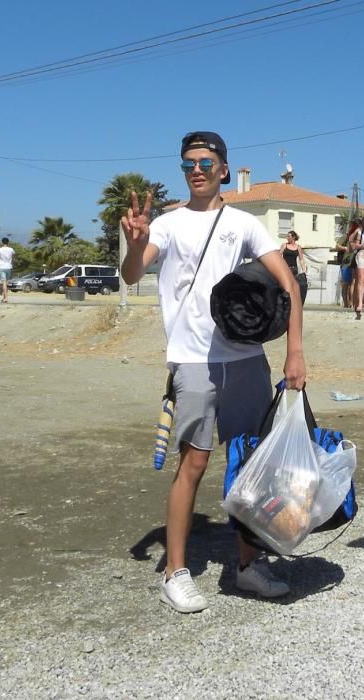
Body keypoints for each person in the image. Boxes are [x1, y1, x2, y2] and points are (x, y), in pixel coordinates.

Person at [120, 130, 306, 614]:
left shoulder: (243, 223)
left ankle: (246, 566)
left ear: (224, 168)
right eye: (187, 164)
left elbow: (289, 286)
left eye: (205, 161)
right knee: (195, 463)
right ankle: (175, 571)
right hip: (194, 360)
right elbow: (132, 274)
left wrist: (295, 353)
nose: (196, 169)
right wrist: (133, 242)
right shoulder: (166, 223)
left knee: (247, 464)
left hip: (244, 359)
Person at [334, 220, 359, 308]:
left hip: (354, 262)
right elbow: (336, 246)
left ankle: (351, 303)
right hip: (346, 262)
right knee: (346, 284)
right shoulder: (346, 237)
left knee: (352, 283)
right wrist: (345, 248)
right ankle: (346, 304)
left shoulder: (359, 237)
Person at [280, 230, 308, 304]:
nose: (287, 238)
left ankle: (292, 302)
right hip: (285, 269)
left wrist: (304, 270)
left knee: (293, 286)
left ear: (293, 237)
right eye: (287, 236)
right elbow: (279, 256)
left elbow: (301, 259)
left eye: (289, 236)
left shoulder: (298, 247)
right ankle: (284, 301)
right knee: (285, 286)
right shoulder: (284, 245)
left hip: (294, 269)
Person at [0, 237, 15, 303]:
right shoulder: (11, 249)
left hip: (2, 267)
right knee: (6, 283)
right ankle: (4, 297)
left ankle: (6, 298)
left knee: (4, 283)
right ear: (8, 242)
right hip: (9, 267)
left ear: (2, 242)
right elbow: (13, 258)